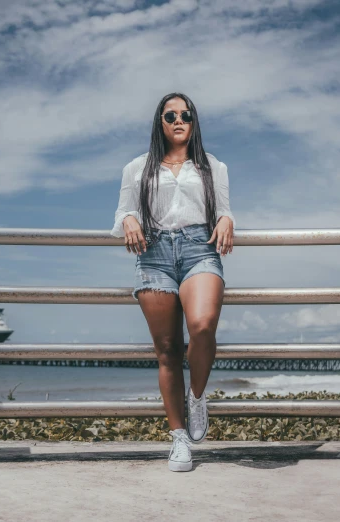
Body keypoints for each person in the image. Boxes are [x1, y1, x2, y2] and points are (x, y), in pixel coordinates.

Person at [110, 92, 235, 472]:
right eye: (170, 115)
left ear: (194, 121)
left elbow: (225, 211)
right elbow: (122, 212)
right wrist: (129, 219)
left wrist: (228, 219)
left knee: (201, 327)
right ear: (160, 122)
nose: (179, 120)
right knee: (166, 351)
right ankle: (179, 439)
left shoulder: (213, 167)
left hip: (200, 249)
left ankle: (197, 399)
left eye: (186, 114)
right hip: (155, 254)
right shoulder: (137, 168)